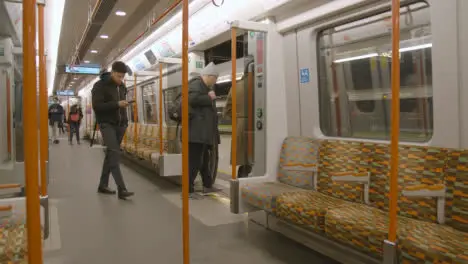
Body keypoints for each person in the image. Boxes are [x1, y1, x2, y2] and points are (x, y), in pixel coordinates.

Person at [92, 61, 134, 200]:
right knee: (115, 154)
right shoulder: (100, 86)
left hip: (120, 124)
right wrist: (116, 104)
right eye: (118, 76)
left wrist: (125, 119)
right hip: (106, 124)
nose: (120, 79)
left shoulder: (122, 87)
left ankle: (102, 185)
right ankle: (122, 189)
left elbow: (121, 104)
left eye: (122, 77)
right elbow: (97, 106)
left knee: (111, 154)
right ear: (112, 72)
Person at [187, 62, 221, 199]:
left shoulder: (204, 86)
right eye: (215, 79)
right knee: (194, 162)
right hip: (196, 133)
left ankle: (207, 185)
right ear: (209, 76)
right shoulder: (196, 84)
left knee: (204, 160)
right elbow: (192, 99)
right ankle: (188, 190)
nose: (215, 82)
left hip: (202, 132)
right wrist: (209, 98)